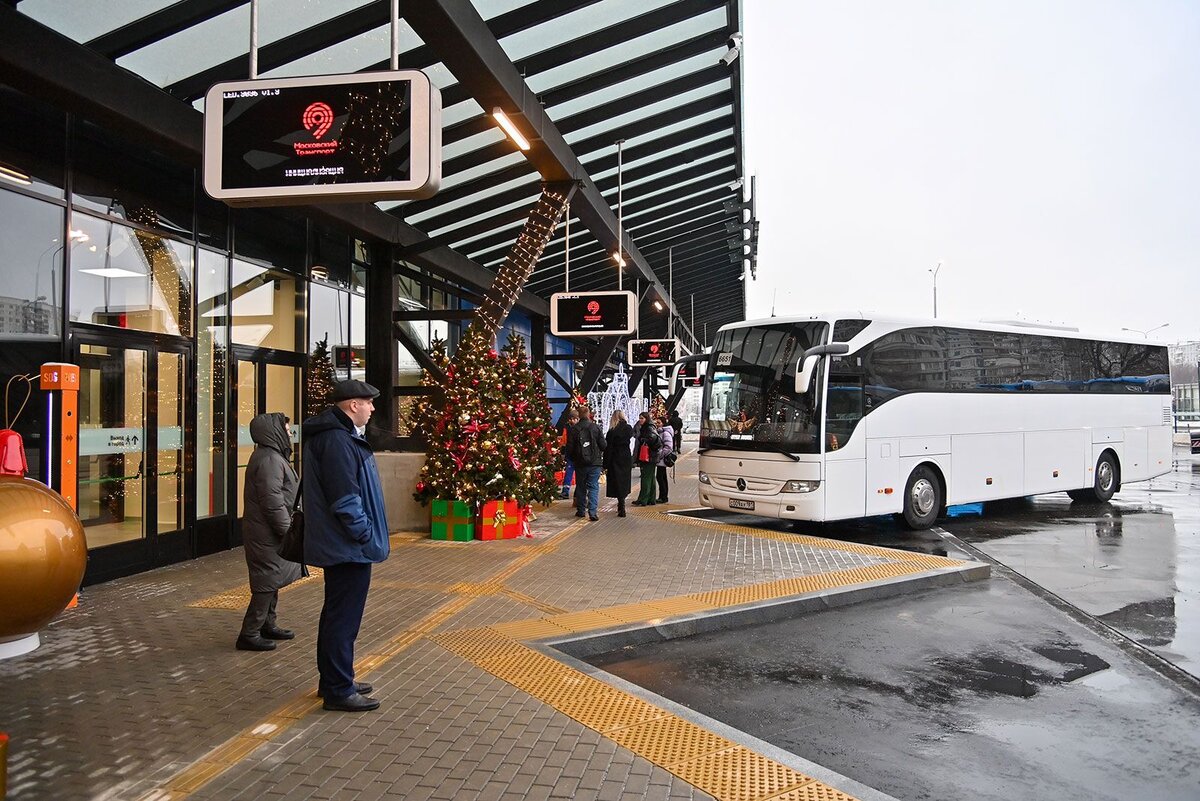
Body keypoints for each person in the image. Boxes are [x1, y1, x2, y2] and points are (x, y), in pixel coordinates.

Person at [302, 380, 390, 712]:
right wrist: (364, 534)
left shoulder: (339, 436)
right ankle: (338, 689)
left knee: (338, 615)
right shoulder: (337, 440)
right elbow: (345, 499)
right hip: (347, 546)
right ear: (353, 405)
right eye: (368, 402)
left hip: (343, 545)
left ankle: (337, 679)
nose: (372, 408)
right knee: (343, 618)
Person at [236, 412, 302, 652]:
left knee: (272, 577)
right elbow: (272, 501)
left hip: (267, 532)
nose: (289, 433)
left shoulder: (272, 456)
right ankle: (249, 633)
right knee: (266, 579)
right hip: (266, 533)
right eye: (286, 429)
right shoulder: (269, 460)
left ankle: (267, 624)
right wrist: (288, 531)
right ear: (273, 432)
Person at [572, 407, 605, 521]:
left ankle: (581, 511)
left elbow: (570, 448)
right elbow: (603, 445)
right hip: (595, 463)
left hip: (580, 463)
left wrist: (573, 459)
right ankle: (592, 512)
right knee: (593, 486)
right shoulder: (596, 427)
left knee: (581, 486)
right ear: (589, 414)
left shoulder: (574, 429)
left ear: (579, 415)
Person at [603, 410, 634, 517]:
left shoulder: (612, 431)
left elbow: (608, 448)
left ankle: (621, 504)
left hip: (615, 458)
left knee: (617, 481)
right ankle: (622, 503)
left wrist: (605, 464)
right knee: (624, 481)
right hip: (625, 457)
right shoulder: (628, 428)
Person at [633, 412, 661, 506]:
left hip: (648, 456)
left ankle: (643, 499)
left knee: (645, 478)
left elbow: (651, 439)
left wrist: (643, 440)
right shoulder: (650, 427)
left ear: (646, 419)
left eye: (642, 418)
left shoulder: (648, 428)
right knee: (651, 477)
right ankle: (651, 499)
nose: (640, 420)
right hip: (652, 456)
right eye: (639, 418)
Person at [560, 410, 580, 500]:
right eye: (571, 419)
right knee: (572, 473)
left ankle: (567, 492)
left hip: (572, 454)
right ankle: (570, 492)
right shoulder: (580, 427)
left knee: (570, 473)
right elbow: (564, 442)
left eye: (574, 419)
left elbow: (564, 442)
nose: (572, 421)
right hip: (575, 455)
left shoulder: (567, 428)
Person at [655, 415, 675, 504]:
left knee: (660, 477)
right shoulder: (660, 432)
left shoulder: (665, 433)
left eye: (659, 423)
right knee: (662, 477)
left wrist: (659, 455)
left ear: (663, 423)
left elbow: (668, 447)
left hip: (662, 459)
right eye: (656, 422)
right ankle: (663, 496)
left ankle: (663, 497)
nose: (657, 424)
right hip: (661, 459)